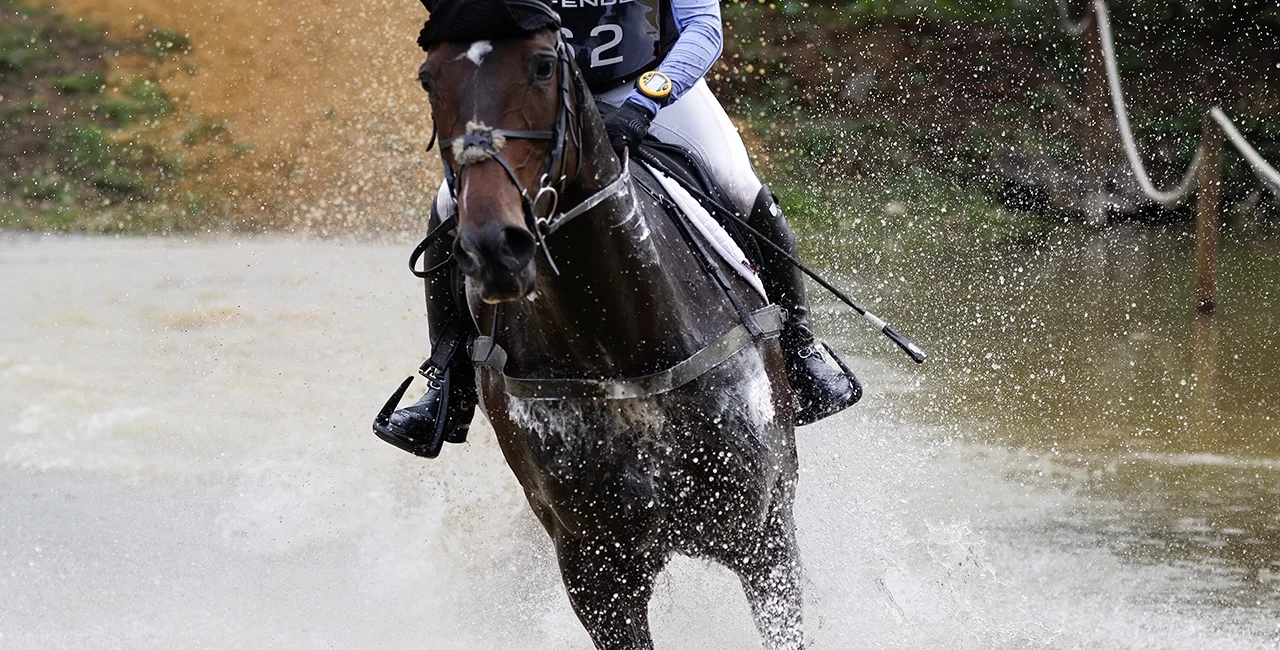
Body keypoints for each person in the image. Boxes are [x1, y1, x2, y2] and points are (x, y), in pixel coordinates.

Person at [374, 0, 860, 457]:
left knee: (741, 188)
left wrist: (645, 103)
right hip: (535, 95)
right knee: (447, 207)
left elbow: (703, 30)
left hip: (649, 85)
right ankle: (448, 382)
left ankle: (800, 351)